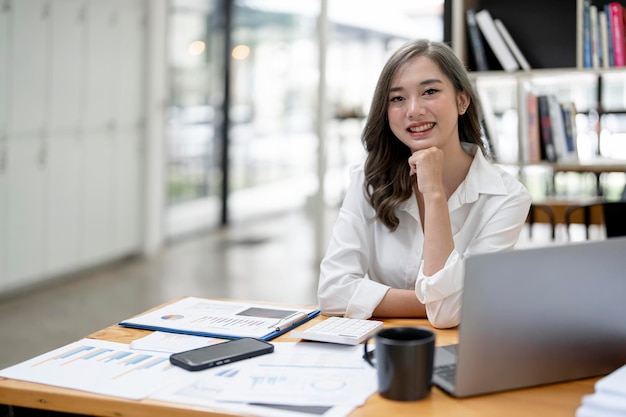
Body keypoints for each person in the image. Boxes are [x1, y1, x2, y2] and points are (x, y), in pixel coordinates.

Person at [317, 39, 532, 329]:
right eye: (397, 98)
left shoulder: (506, 197)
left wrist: (434, 193)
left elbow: (445, 314)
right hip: (385, 345)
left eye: (430, 91)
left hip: (464, 351)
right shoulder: (368, 179)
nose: (414, 110)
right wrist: (442, 300)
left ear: (462, 100)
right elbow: (332, 292)